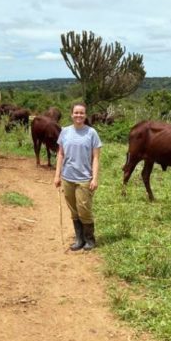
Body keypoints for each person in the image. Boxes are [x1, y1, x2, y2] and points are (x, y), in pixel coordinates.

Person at [54, 102, 102, 251]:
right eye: (76, 113)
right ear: (71, 114)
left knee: (84, 209)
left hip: (84, 179)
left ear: (85, 115)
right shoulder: (65, 132)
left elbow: (95, 157)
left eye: (81, 113)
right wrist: (57, 175)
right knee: (74, 210)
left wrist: (94, 178)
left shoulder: (91, 133)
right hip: (67, 177)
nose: (78, 115)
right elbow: (60, 154)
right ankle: (79, 239)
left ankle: (90, 239)